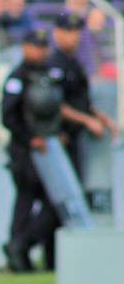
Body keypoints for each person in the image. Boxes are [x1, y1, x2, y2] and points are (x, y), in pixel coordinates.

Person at [1, 29, 65, 272]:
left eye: (43, 46)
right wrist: (30, 139)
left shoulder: (50, 73)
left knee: (52, 204)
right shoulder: (17, 77)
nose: (40, 51)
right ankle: (19, 250)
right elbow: (8, 116)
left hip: (51, 150)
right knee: (25, 203)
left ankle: (28, 248)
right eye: (35, 46)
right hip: (24, 153)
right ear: (25, 47)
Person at [49, 12, 118, 181]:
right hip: (63, 135)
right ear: (57, 33)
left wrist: (101, 117)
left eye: (77, 31)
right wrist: (87, 120)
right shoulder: (54, 64)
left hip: (77, 135)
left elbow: (80, 100)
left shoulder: (74, 63)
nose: (74, 36)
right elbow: (55, 104)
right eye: (69, 31)